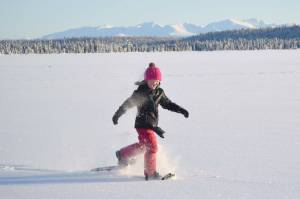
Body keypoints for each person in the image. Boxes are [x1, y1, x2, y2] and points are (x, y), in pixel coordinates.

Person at [112, 62, 189, 180]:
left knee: (144, 146)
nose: (154, 83)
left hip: (151, 125)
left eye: (157, 80)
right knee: (152, 147)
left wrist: (181, 110)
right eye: (152, 80)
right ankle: (150, 172)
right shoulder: (140, 93)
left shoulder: (159, 92)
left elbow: (167, 104)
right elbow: (127, 104)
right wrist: (117, 115)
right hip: (142, 124)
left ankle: (123, 154)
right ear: (146, 80)